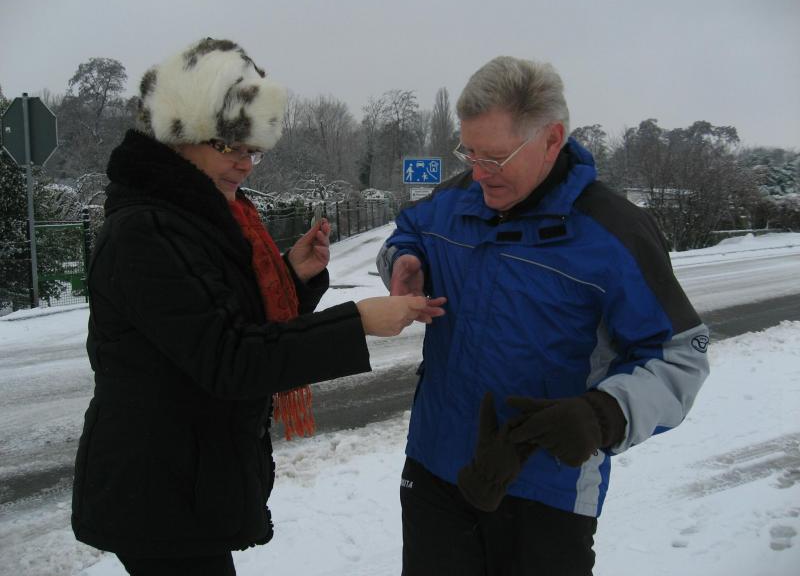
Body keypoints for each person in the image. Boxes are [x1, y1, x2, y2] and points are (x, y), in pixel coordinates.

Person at [71, 37, 445, 576]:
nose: (246, 165)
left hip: (189, 479)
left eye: (254, 150)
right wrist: (357, 322)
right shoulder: (146, 232)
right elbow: (232, 357)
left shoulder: (204, 214)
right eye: (232, 147)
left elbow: (228, 317)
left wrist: (292, 275)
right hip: (155, 489)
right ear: (181, 133)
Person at [377, 56, 710, 575]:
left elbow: (679, 358)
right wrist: (404, 261)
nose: (478, 173)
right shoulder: (452, 200)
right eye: (469, 152)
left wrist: (604, 414)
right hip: (434, 471)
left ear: (552, 139)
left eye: (495, 157)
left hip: (547, 492)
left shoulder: (614, 233)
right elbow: (406, 235)